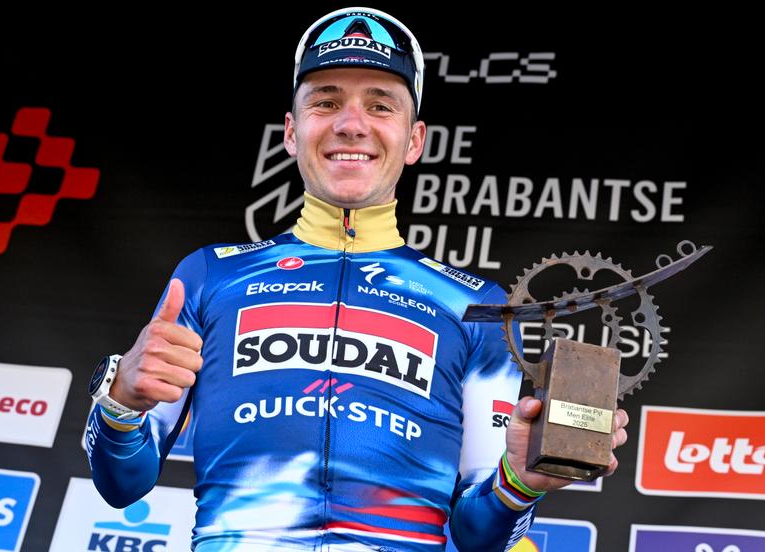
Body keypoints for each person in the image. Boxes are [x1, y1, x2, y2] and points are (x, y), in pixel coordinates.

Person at [85, 7, 629, 551]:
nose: (351, 123)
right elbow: (121, 484)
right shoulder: (210, 274)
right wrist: (121, 404)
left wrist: (517, 484)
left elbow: (477, 537)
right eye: (325, 101)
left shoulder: (475, 307)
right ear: (292, 134)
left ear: (414, 141)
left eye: (379, 105)